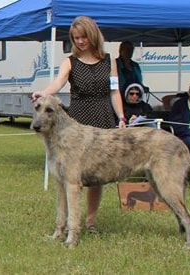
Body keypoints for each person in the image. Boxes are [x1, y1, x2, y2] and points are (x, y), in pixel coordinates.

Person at [31, 16, 126, 233]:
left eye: (84, 37)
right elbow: (58, 83)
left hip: (103, 117)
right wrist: (43, 93)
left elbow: (114, 91)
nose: (80, 41)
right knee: (69, 176)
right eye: (76, 38)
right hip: (78, 119)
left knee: (97, 176)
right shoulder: (70, 62)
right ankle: (68, 224)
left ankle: (90, 221)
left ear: (93, 35)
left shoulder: (109, 61)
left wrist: (121, 117)